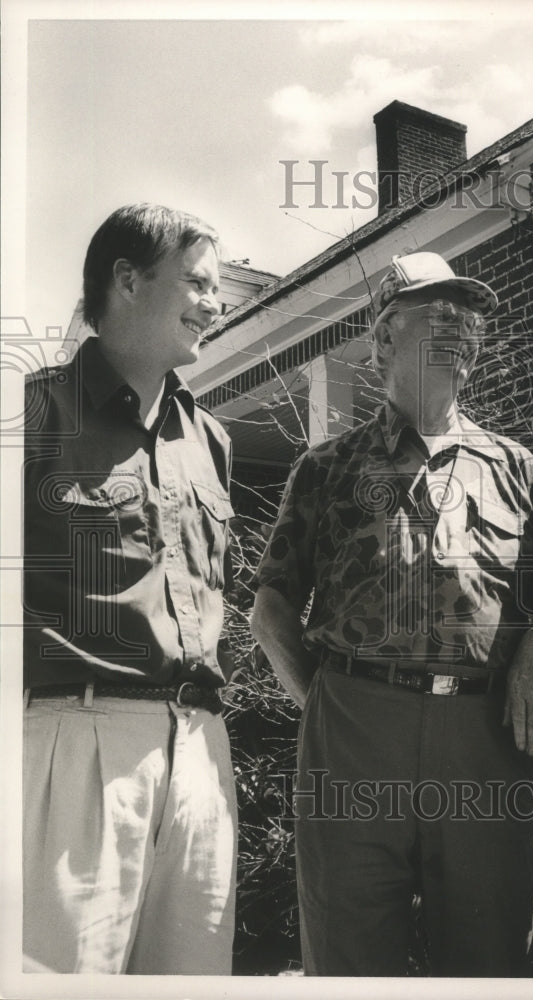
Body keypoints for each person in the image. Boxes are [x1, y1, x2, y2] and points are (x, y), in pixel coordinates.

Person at [250, 251, 533, 977]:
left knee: (490, 959)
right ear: (385, 337)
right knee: (350, 957)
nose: (461, 329)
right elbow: (270, 610)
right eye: (438, 314)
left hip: (487, 743)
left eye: (470, 319)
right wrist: (330, 709)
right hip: (355, 735)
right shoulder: (326, 469)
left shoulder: (517, 467)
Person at [23, 204, 238, 974]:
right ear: (126, 279)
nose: (217, 302)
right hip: (76, 746)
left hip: (203, 753)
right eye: (199, 283)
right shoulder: (31, 415)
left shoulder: (210, 440)